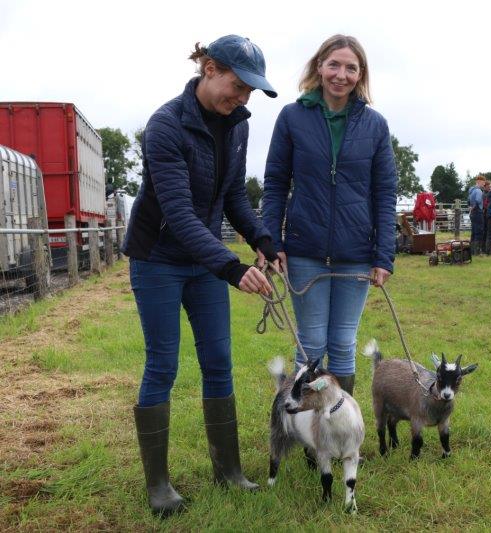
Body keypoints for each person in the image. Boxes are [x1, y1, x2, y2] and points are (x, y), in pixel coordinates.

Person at [122, 35, 279, 516]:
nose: (243, 98)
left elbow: (233, 198)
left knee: (219, 361)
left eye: (250, 91)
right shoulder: (165, 125)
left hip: (204, 259)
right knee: (162, 365)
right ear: (209, 68)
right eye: (238, 85)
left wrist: (263, 239)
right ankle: (159, 486)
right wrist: (231, 267)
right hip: (158, 258)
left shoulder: (237, 126)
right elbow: (179, 213)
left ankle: (228, 471)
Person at [262, 34, 397, 395]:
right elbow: (275, 184)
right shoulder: (292, 117)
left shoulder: (375, 125)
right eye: (333, 65)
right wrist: (271, 242)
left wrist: (383, 255)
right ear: (319, 67)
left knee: (343, 342)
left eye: (351, 68)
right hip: (305, 250)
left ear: (360, 74)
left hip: (356, 254)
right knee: (310, 342)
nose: (341, 74)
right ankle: (305, 421)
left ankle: (338, 418)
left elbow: (385, 193)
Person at [468, 175, 486, 254]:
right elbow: (478, 201)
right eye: (483, 182)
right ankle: (477, 251)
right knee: (479, 231)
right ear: (479, 181)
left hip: (472, 213)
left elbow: (468, 200)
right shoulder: (478, 191)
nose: (484, 184)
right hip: (478, 211)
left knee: (474, 232)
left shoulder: (471, 190)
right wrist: (474, 207)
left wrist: (470, 207)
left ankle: (472, 251)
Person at [482, 179, 491, 254]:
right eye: (488, 187)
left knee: (486, 232)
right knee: (486, 232)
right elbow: (485, 205)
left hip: (486, 214)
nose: (490, 188)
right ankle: (485, 249)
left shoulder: (486, 193)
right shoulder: (485, 195)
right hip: (485, 214)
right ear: (485, 187)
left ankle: (485, 248)